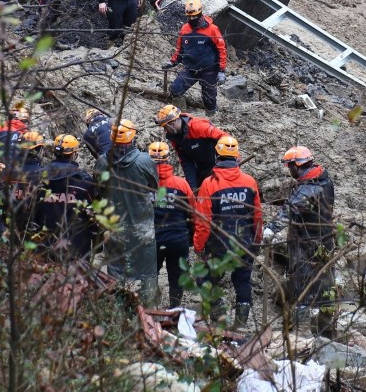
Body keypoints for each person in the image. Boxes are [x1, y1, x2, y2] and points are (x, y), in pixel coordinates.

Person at [193, 136, 262, 330]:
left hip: (219, 244)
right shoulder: (250, 181)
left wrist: (198, 246)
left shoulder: (209, 183)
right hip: (244, 242)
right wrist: (257, 240)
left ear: (217, 157)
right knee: (242, 280)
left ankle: (220, 317)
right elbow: (257, 216)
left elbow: (203, 221)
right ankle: (241, 324)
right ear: (237, 157)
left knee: (205, 279)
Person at [262, 146, 336, 323]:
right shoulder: (324, 180)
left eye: (289, 166)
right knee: (326, 280)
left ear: (297, 165)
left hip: (306, 243)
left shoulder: (308, 190)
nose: (289, 170)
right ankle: (325, 323)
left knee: (302, 286)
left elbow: (290, 209)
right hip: (325, 237)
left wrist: (271, 228)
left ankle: (302, 331)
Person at [97, 119, 160, 305]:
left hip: (116, 228)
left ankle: (118, 317)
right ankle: (151, 315)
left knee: (116, 274)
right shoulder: (145, 161)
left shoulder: (102, 163)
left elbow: (99, 190)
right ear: (132, 137)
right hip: (143, 228)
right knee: (148, 273)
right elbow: (154, 188)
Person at [148, 141, 196, 308]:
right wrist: (191, 237)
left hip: (153, 239)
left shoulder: (142, 184)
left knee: (150, 275)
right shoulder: (181, 184)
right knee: (177, 277)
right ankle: (174, 309)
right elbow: (193, 213)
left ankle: (151, 310)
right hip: (178, 238)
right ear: (169, 159)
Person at [36, 134, 98, 261]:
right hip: (78, 246)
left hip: (47, 244)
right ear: (74, 154)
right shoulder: (83, 181)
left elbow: (33, 211)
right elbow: (94, 213)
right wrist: (97, 238)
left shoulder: (40, 177)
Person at [163, 0, 228, 117]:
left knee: (209, 99)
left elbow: (221, 49)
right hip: (190, 69)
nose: (192, 19)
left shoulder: (212, 29)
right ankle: (181, 117)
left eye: (195, 16)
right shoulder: (184, 29)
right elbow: (180, 49)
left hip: (209, 70)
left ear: (200, 14)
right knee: (175, 89)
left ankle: (212, 117)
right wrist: (172, 62)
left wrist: (221, 70)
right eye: (190, 17)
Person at [153, 104, 230, 191]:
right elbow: (186, 162)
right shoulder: (175, 137)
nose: (165, 130)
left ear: (173, 123)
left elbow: (226, 138)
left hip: (218, 163)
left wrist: (228, 163)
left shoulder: (198, 126)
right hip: (200, 167)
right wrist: (192, 186)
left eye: (165, 127)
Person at [0, 130, 48, 240]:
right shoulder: (41, 175)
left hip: (6, 228)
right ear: (38, 150)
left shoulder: (6, 171)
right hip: (31, 229)